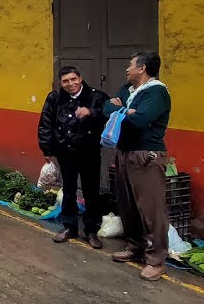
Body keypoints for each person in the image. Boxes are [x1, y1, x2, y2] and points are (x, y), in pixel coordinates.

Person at [104, 51, 172, 281]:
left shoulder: (157, 92)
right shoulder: (128, 90)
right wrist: (124, 111)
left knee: (151, 208)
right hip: (124, 152)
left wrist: (121, 111)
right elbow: (107, 108)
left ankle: (157, 260)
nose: (127, 69)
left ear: (142, 68)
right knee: (127, 204)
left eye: (130, 65)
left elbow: (140, 121)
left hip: (146, 154)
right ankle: (135, 246)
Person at [39, 66, 110, 249]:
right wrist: (47, 149)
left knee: (91, 191)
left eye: (73, 79)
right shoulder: (54, 98)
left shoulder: (97, 96)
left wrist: (91, 112)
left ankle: (91, 230)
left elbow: (109, 114)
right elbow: (45, 123)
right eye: (65, 81)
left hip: (89, 151)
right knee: (68, 189)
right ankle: (69, 227)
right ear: (61, 83)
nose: (70, 84)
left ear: (80, 78)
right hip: (65, 151)